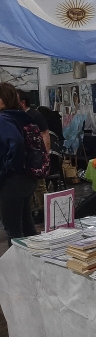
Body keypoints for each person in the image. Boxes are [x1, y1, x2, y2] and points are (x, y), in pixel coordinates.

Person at [0, 83, 39, 245]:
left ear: (3, 99)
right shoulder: (20, 116)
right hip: (27, 177)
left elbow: (16, 142)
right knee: (27, 225)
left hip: (12, 179)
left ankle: (17, 261)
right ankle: (35, 258)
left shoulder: (3, 119)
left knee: (13, 230)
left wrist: (9, 167)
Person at [17, 89, 49, 223]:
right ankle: (29, 213)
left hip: (36, 156)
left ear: (22, 102)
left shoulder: (35, 115)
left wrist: (45, 154)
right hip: (24, 156)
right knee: (26, 186)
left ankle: (44, 211)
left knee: (40, 185)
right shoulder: (17, 116)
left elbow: (45, 134)